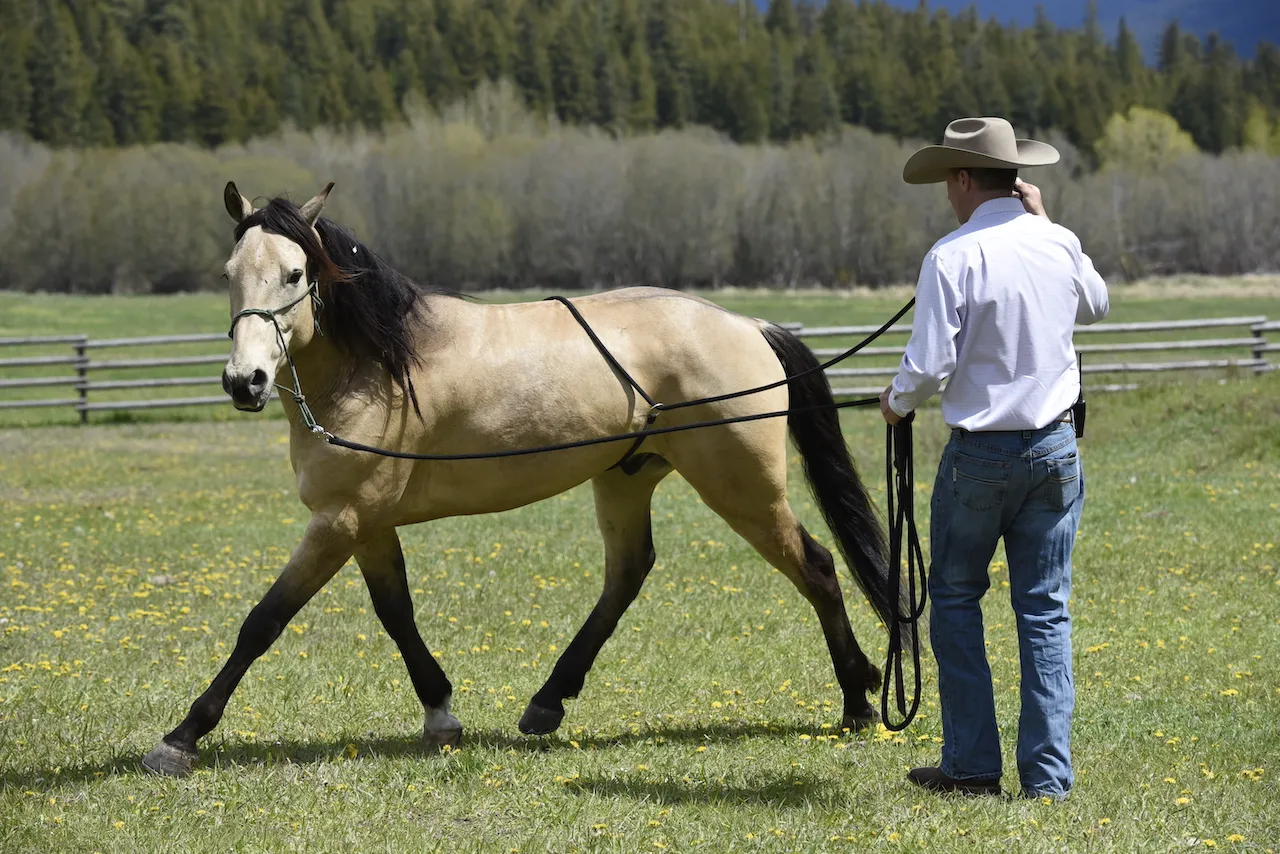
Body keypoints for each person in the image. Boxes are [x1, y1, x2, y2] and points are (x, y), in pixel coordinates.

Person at [879, 117, 1110, 801]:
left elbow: (928, 366)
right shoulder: (1058, 241)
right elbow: (1096, 304)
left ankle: (974, 767)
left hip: (981, 454)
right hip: (1056, 447)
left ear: (959, 179)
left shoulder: (951, 256)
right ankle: (1047, 780)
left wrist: (895, 402)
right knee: (1043, 610)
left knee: (954, 597)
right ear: (1018, 180)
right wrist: (1049, 220)